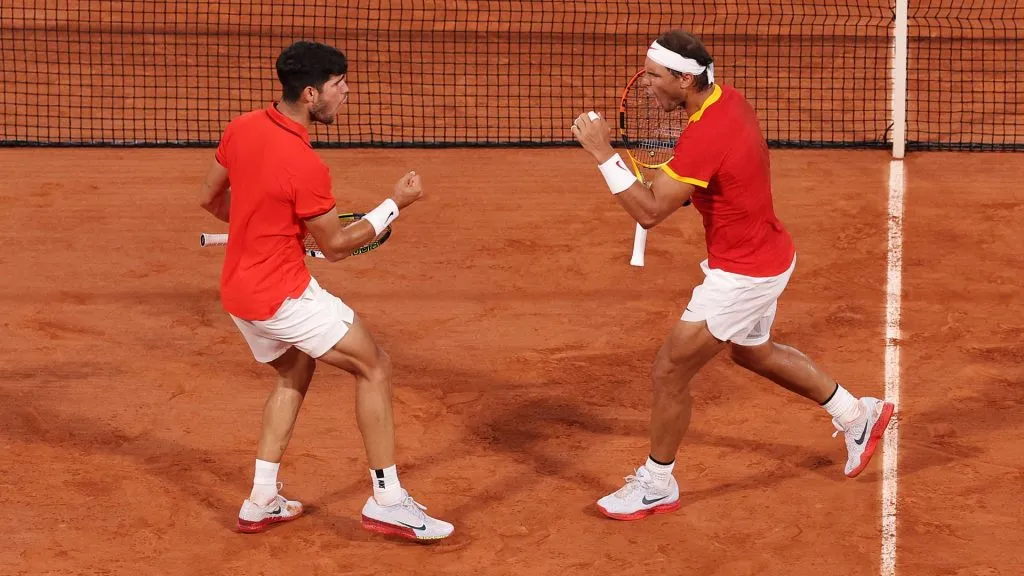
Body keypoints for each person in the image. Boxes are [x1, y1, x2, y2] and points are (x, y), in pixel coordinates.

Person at [571, 29, 895, 521]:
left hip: (744, 274)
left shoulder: (707, 134)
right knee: (753, 352)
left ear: (684, 78)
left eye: (655, 78)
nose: (646, 86)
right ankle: (857, 414)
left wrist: (602, 153)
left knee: (670, 371)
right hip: (768, 254)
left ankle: (657, 484)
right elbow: (695, 183)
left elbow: (651, 212)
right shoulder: (727, 102)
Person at [198, 40, 453, 540]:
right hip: (281, 296)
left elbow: (211, 199)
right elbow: (335, 245)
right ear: (312, 93)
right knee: (374, 365)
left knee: (295, 367)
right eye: (339, 84)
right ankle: (388, 500)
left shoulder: (242, 127)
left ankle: (261, 498)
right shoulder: (304, 163)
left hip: (238, 292)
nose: (347, 92)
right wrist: (394, 204)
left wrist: (269, 224)